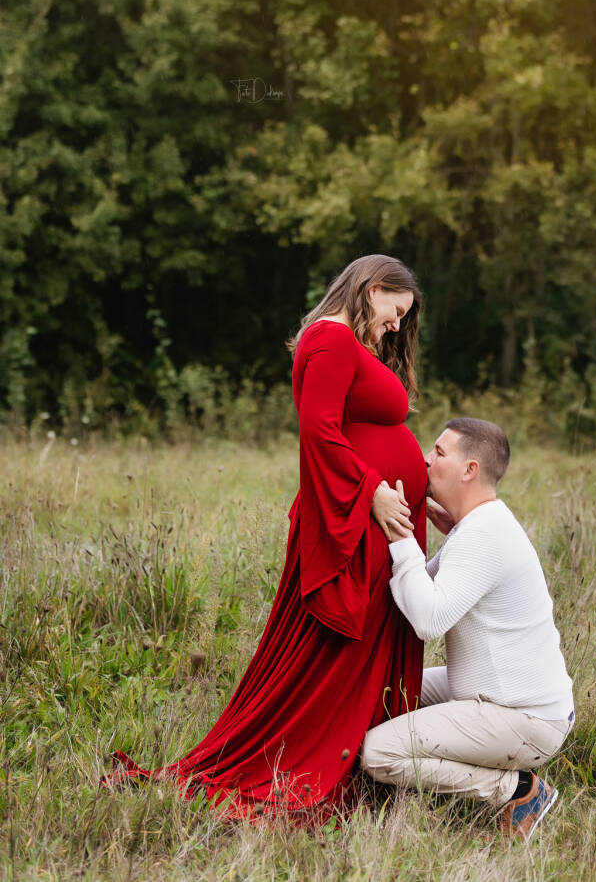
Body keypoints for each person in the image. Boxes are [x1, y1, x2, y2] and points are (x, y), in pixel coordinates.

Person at [104, 254, 427, 821]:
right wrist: (373, 489)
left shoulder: (347, 343)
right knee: (330, 661)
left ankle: (359, 761)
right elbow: (318, 430)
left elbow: (353, 425)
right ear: (373, 289)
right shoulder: (328, 339)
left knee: (355, 657)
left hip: (377, 521)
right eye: (395, 310)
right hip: (358, 520)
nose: (397, 326)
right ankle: (311, 762)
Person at [360, 417, 574, 842]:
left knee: (377, 752)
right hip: (486, 697)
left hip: (523, 718)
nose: (426, 458)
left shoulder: (485, 535)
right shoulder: (478, 527)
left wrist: (402, 536)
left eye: (439, 452)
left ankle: (516, 790)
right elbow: (420, 585)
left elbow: (428, 620)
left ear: (469, 469)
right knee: (384, 688)